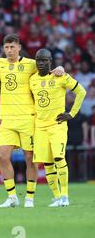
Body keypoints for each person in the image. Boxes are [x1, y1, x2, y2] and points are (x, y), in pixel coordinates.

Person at [0, 34, 65, 208]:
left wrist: (60, 68)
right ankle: (12, 197)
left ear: (19, 47)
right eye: (6, 47)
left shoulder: (31, 64)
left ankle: (29, 198)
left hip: (28, 118)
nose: (9, 50)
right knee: (2, 157)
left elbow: (47, 69)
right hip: (8, 119)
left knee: (30, 158)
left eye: (12, 47)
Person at [30, 49, 86, 207]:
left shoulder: (60, 76)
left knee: (59, 158)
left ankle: (65, 196)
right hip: (40, 127)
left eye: (44, 60)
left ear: (50, 61)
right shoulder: (32, 79)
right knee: (47, 163)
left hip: (57, 126)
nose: (41, 63)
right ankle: (56, 197)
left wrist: (72, 113)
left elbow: (81, 91)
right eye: (38, 60)